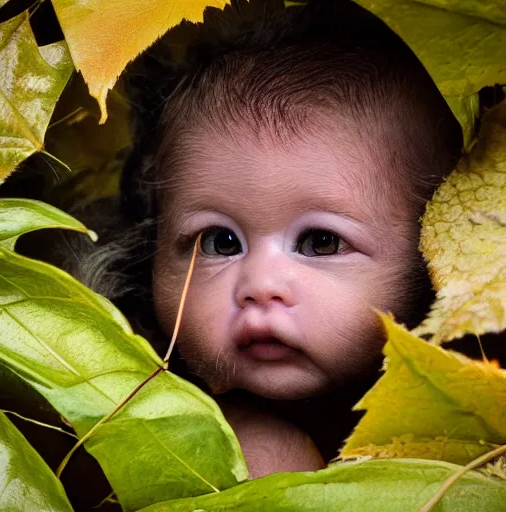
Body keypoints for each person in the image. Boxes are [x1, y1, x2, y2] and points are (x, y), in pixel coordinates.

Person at [70, 0, 463, 477]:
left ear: (438, 256)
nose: (259, 283)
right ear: (148, 246)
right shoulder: (116, 402)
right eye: (220, 242)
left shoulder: (481, 411)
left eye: (321, 242)